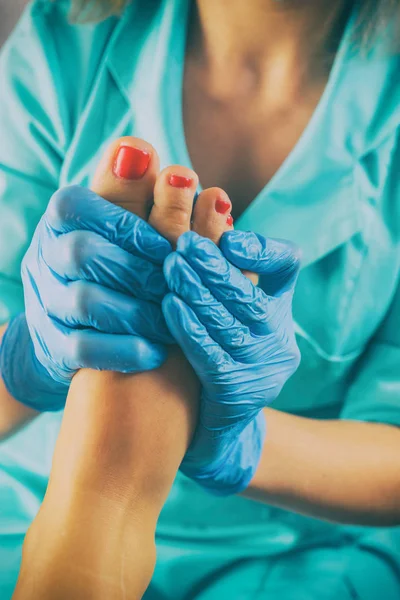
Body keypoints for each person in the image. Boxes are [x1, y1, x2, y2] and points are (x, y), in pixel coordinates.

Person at [0, 0, 400, 598]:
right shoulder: (68, 34)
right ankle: (94, 506)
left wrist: (245, 444)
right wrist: (27, 356)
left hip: (282, 555)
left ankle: (93, 515)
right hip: (25, 500)